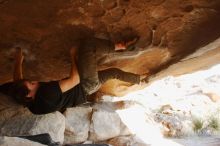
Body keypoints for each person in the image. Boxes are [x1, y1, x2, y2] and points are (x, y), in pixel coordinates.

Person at [0, 37, 145, 115]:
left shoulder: (29, 103)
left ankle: (140, 80)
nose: (33, 81)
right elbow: (75, 79)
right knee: (87, 47)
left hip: (83, 93)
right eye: (31, 85)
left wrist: (19, 60)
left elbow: (17, 81)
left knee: (114, 72)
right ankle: (119, 46)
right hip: (84, 84)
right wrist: (72, 56)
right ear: (30, 96)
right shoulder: (46, 94)